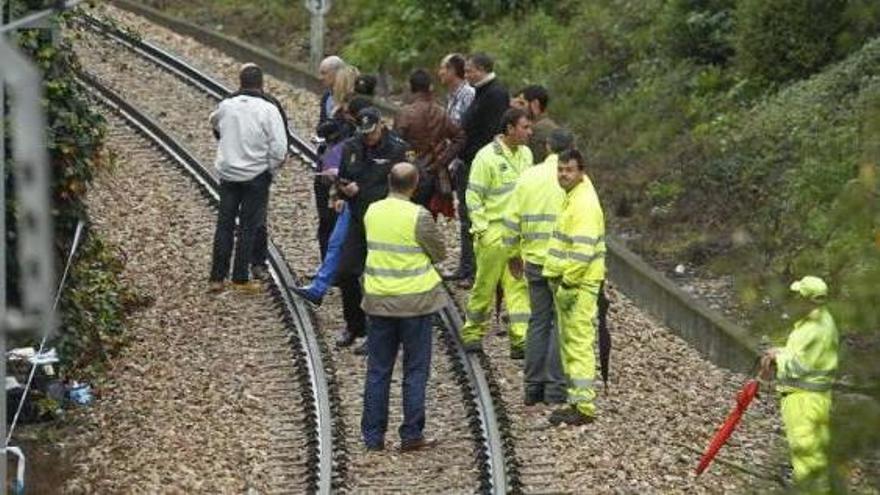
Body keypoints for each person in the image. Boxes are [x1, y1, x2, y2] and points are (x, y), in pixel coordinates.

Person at [360, 162, 446, 452]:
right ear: (416, 183)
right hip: (415, 304)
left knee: (378, 370)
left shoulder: (372, 211)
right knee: (415, 370)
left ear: (388, 181)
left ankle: (373, 437)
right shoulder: (419, 216)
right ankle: (411, 434)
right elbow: (439, 251)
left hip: (379, 301)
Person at [504, 128, 575, 405]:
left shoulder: (528, 177)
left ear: (546, 147)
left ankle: (532, 387)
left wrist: (512, 253)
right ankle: (556, 390)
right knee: (560, 323)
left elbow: (512, 220)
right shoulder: (574, 181)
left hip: (533, 259)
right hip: (563, 262)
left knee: (538, 321)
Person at [459, 108, 533, 358]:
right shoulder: (486, 157)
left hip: (518, 233)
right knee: (485, 285)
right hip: (493, 232)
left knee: (518, 285)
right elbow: (474, 195)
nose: (529, 132)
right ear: (510, 129)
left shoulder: (526, 155)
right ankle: (472, 332)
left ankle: (520, 338)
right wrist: (480, 228)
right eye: (525, 127)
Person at [208, 63, 287, 293]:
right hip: (256, 175)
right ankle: (240, 277)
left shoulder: (226, 106)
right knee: (248, 227)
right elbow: (279, 148)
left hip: (229, 174)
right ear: (261, 84)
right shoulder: (268, 109)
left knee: (224, 224)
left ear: (240, 82)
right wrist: (269, 169)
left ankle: (216, 277)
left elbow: (214, 121)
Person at [334, 107, 410, 348]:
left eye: (372, 132)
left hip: (386, 221)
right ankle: (354, 325)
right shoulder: (352, 147)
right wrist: (342, 191)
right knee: (346, 272)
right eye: (364, 133)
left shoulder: (397, 149)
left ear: (381, 126)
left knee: (379, 279)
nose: (369, 137)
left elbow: (402, 186)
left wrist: (363, 190)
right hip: (358, 218)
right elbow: (343, 175)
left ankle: (380, 333)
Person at [543, 149, 605, 426]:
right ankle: (577, 400)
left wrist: (568, 282)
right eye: (560, 169)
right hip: (571, 281)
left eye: (568, 170)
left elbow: (582, 251)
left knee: (578, 343)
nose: (563, 175)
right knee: (571, 341)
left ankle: (583, 405)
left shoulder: (583, 205)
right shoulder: (575, 197)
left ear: (581, 172)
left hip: (577, 284)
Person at [760, 276, 839, 494]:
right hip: (814, 399)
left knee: (807, 462)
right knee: (814, 459)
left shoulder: (813, 329)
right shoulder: (821, 321)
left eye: (797, 296)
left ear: (807, 300)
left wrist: (777, 359)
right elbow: (803, 356)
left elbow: (799, 367)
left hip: (804, 401)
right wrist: (780, 352)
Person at [445, 53, 510, 287]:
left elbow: (490, 131)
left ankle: (477, 271)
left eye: (470, 70)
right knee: (466, 217)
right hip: (469, 162)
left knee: (475, 218)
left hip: (478, 166)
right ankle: (467, 266)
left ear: (482, 69)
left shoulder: (495, 94)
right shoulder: (483, 93)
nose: (467, 74)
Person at [394, 69, 465, 213]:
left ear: (411, 87)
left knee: (407, 215)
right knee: (427, 217)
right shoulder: (441, 112)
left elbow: (396, 144)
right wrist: (442, 161)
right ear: (429, 87)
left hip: (409, 174)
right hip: (434, 174)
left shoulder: (405, 113)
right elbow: (460, 137)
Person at [511, 85, 558, 164]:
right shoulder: (550, 126)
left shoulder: (537, 130)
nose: (517, 107)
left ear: (535, 104)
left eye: (522, 103)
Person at [438, 53, 475, 126]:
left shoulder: (469, 94)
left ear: (452, 70)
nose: (440, 73)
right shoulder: (451, 96)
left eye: (442, 68)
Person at [318, 55, 347, 125]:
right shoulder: (326, 96)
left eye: (324, 73)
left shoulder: (348, 96)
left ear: (337, 73)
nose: (320, 78)